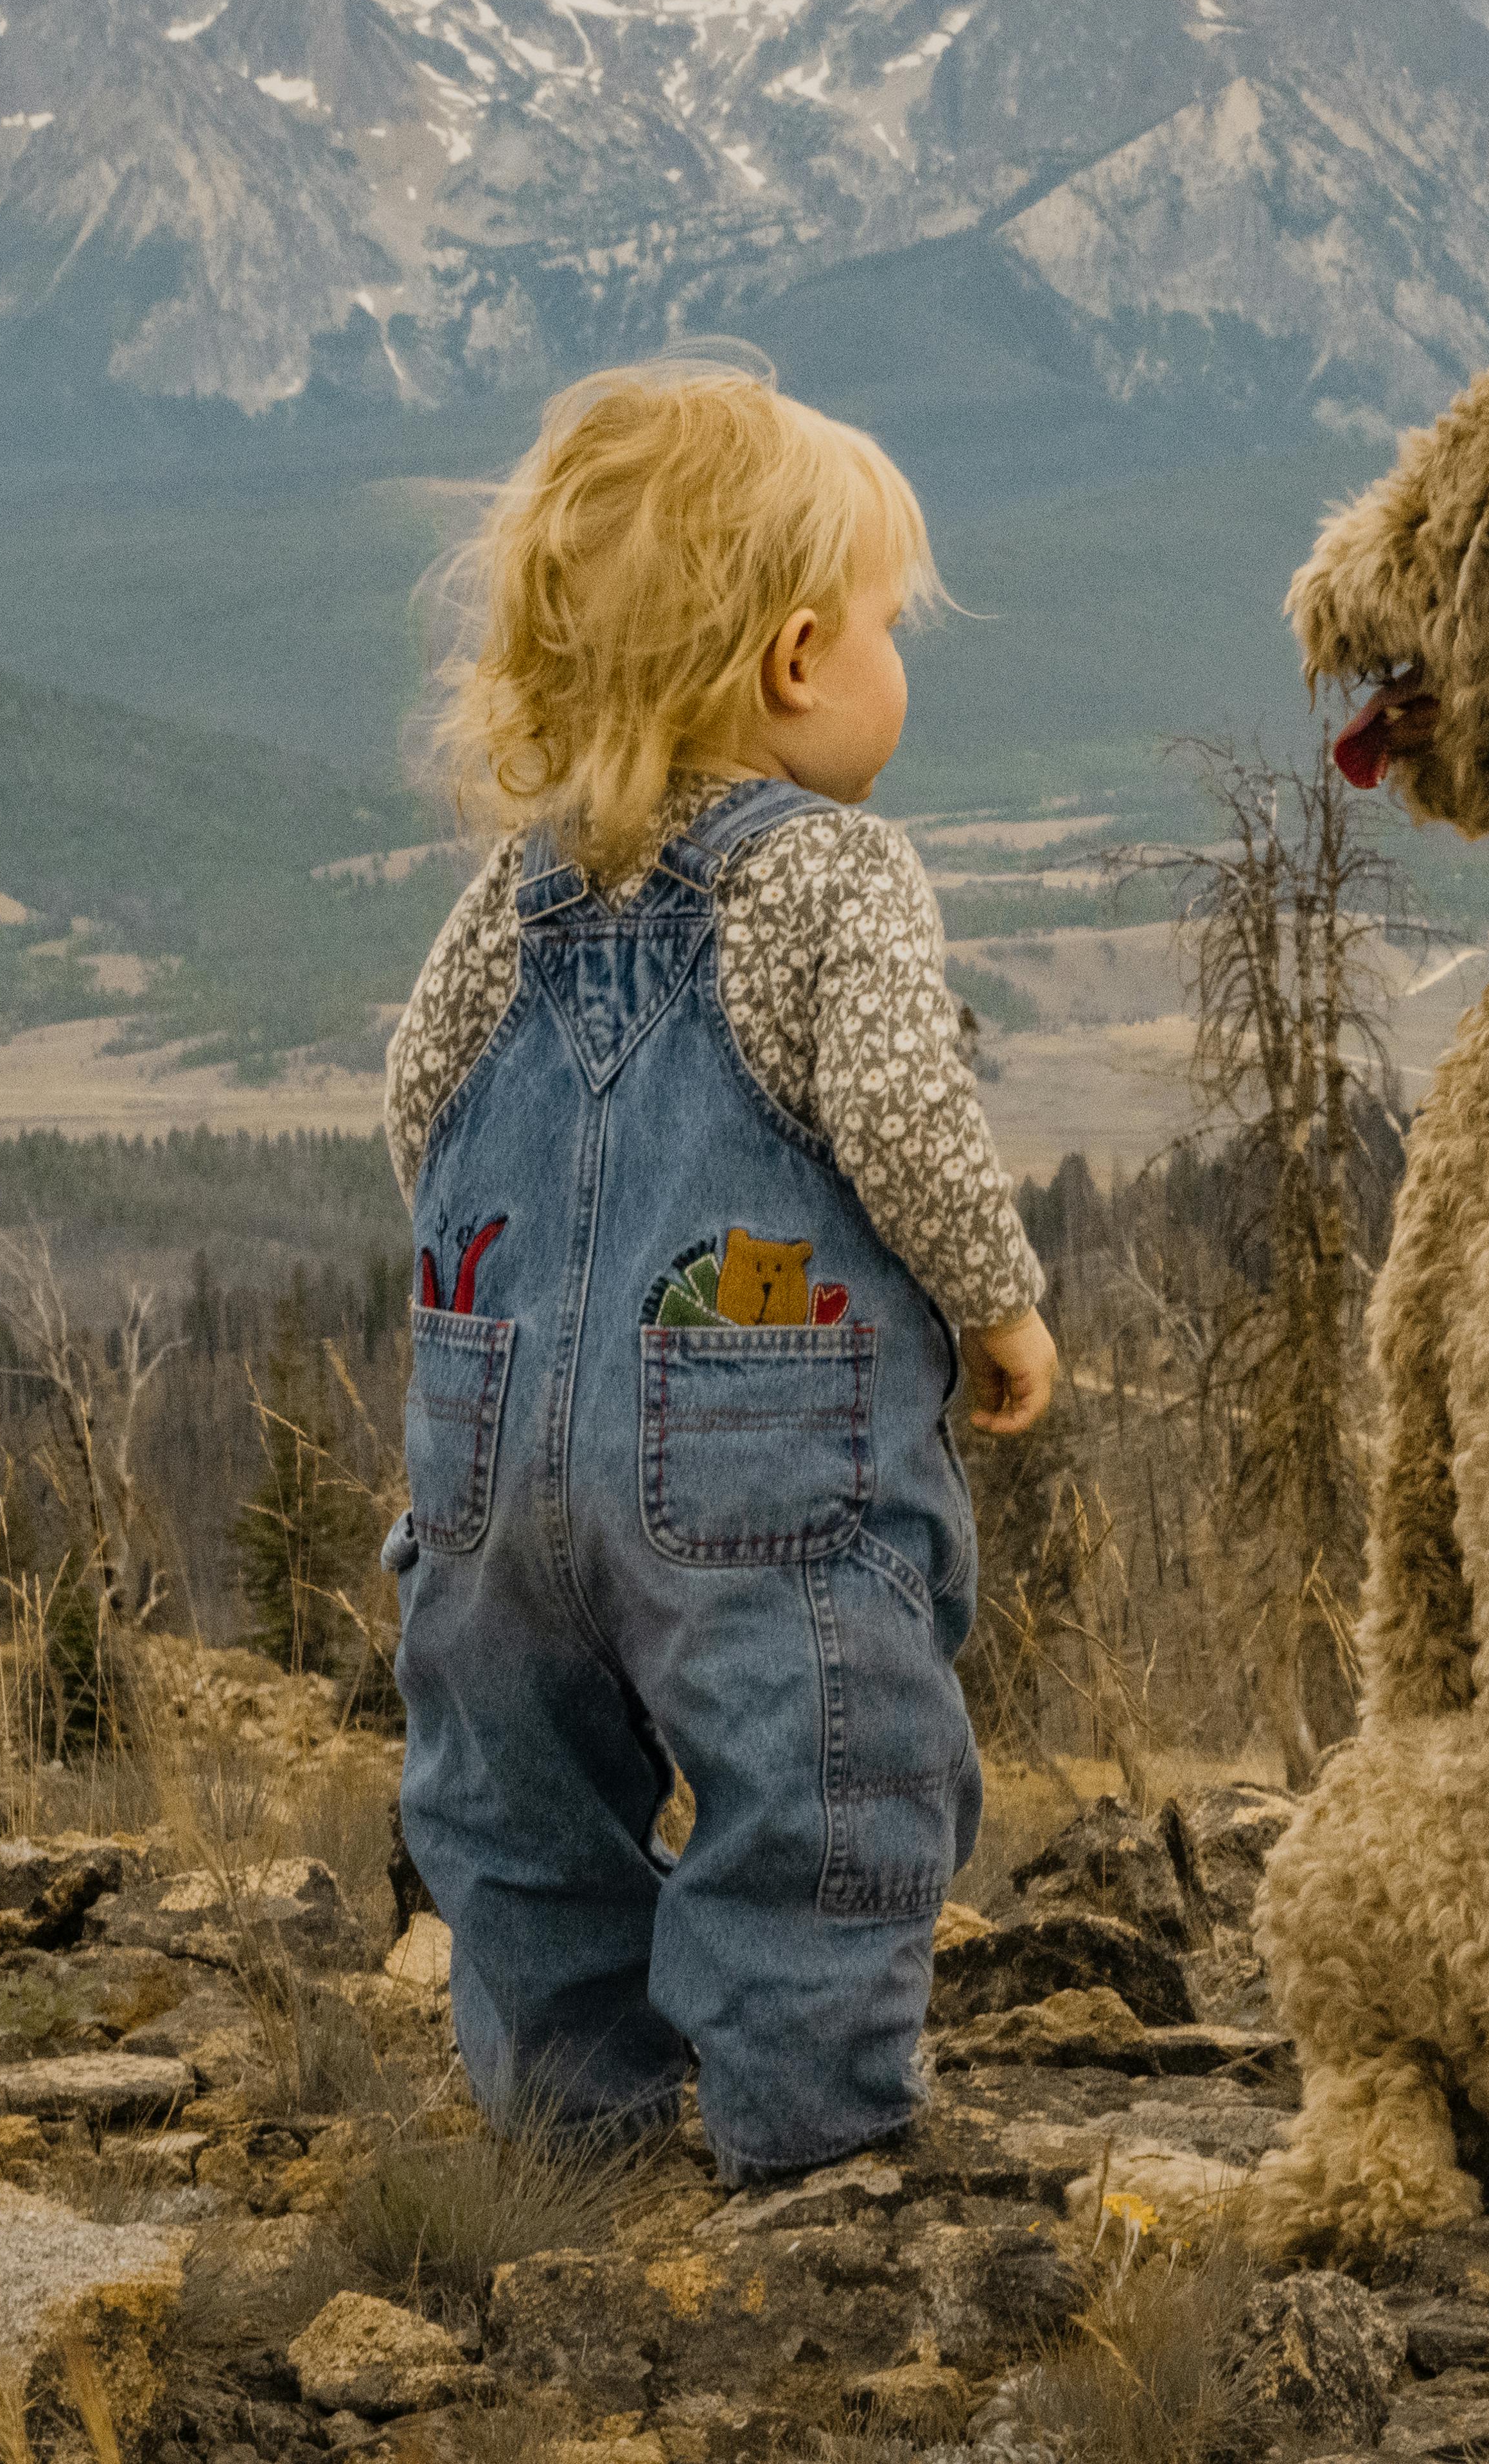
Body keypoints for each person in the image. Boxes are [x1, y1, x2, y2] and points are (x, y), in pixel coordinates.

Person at [378, 350, 1061, 2186]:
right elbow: (905, 1117)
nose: (897, 673)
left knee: (514, 1797)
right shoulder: (832, 880)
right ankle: (814, 2146)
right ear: (792, 660)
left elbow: (420, 1113)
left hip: (490, 1457)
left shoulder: (518, 889)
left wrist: (510, 1334)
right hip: (751, 1460)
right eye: (886, 632)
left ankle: (569, 2137)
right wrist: (997, 1303)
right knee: (820, 1777)